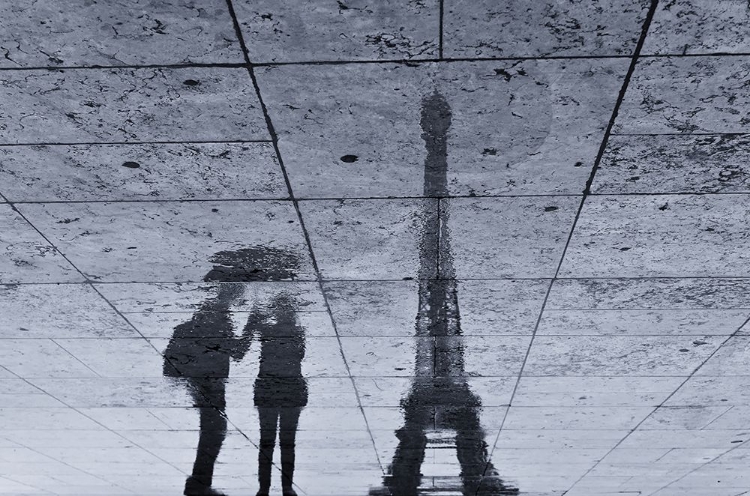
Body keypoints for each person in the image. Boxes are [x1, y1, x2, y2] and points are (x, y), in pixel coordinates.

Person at [162, 247, 305, 496]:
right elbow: (237, 352)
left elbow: (232, 349)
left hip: (205, 374)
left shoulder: (217, 318)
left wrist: (251, 322)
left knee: (215, 427)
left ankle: (198, 485)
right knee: (215, 427)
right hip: (207, 376)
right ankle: (198, 485)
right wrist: (251, 323)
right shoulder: (218, 320)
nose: (238, 301)